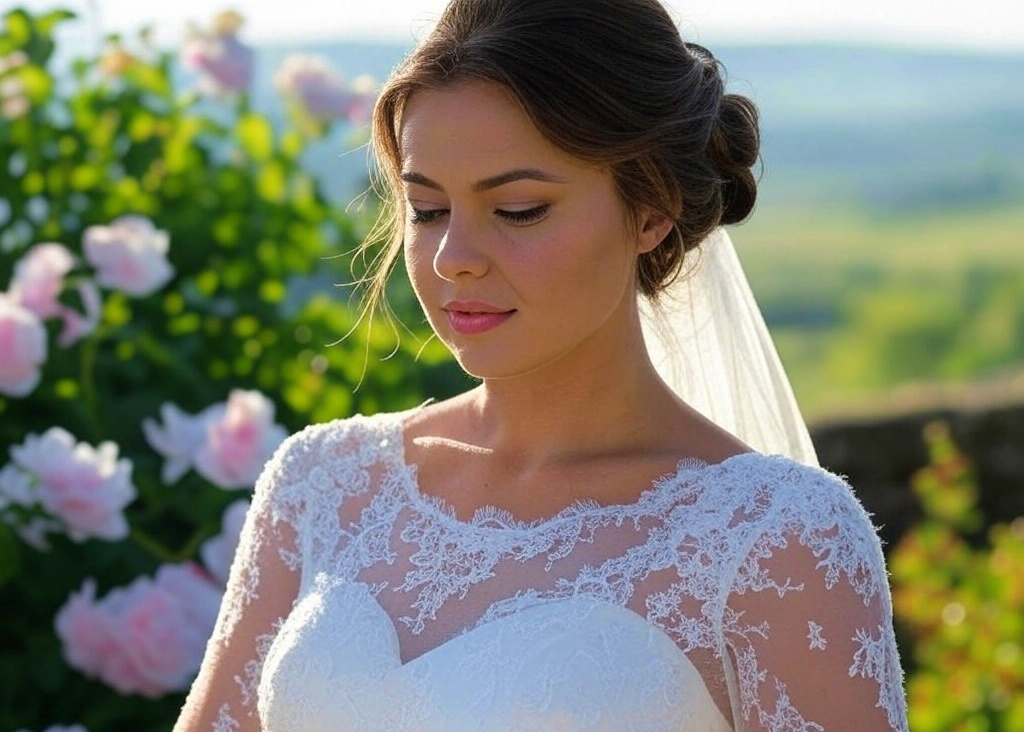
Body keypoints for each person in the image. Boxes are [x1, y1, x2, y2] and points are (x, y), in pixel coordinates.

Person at [174, 1, 909, 730]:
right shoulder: (320, 484)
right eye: (427, 210)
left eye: (519, 209)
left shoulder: (776, 538)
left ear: (651, 209)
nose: (452, 258)